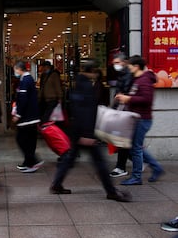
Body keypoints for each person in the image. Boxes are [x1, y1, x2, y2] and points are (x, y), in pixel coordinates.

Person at [50, 59, 131, 202]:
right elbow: (84, 111)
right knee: (99, 162)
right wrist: (87, 134)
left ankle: (56, 184)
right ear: (92, 72)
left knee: (70, 159)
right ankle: (111, 191)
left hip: (78, 130)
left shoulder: (78, 84)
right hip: (85, 131)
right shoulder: (85, 86)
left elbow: (75, 109)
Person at [116, 55, 164, 185]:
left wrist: (129, 99)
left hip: (142, 119)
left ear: (136, 67)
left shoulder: (144, 80)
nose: (128, 68)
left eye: (130, 66)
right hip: (138, 118)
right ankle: (157, 167)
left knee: (136, 148)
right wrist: (125, 97)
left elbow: (147, 99)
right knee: (136, 147)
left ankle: (137, 177)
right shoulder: (138, 79)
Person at [13, 61, 44, 173]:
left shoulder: (25, 80)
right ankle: (28, 161)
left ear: (18, 69)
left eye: (15, 69)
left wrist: (18, 114)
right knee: (30, 140)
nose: (15, 72)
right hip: (32, 116)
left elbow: (23, 99)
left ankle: (33, 161)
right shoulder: (27, 79)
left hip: (27, 117)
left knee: (21, 139)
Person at [109, 53, 134, 178]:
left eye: (117, 62)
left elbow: (123, 93)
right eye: (114, 63)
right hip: (123, 111)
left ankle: (121, 167)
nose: (115, 65)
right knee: (126, 140)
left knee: (123, 140)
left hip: (126, 111)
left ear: (124, 62)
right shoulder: (123, 74)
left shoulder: (128, 74)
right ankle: (138, 160)